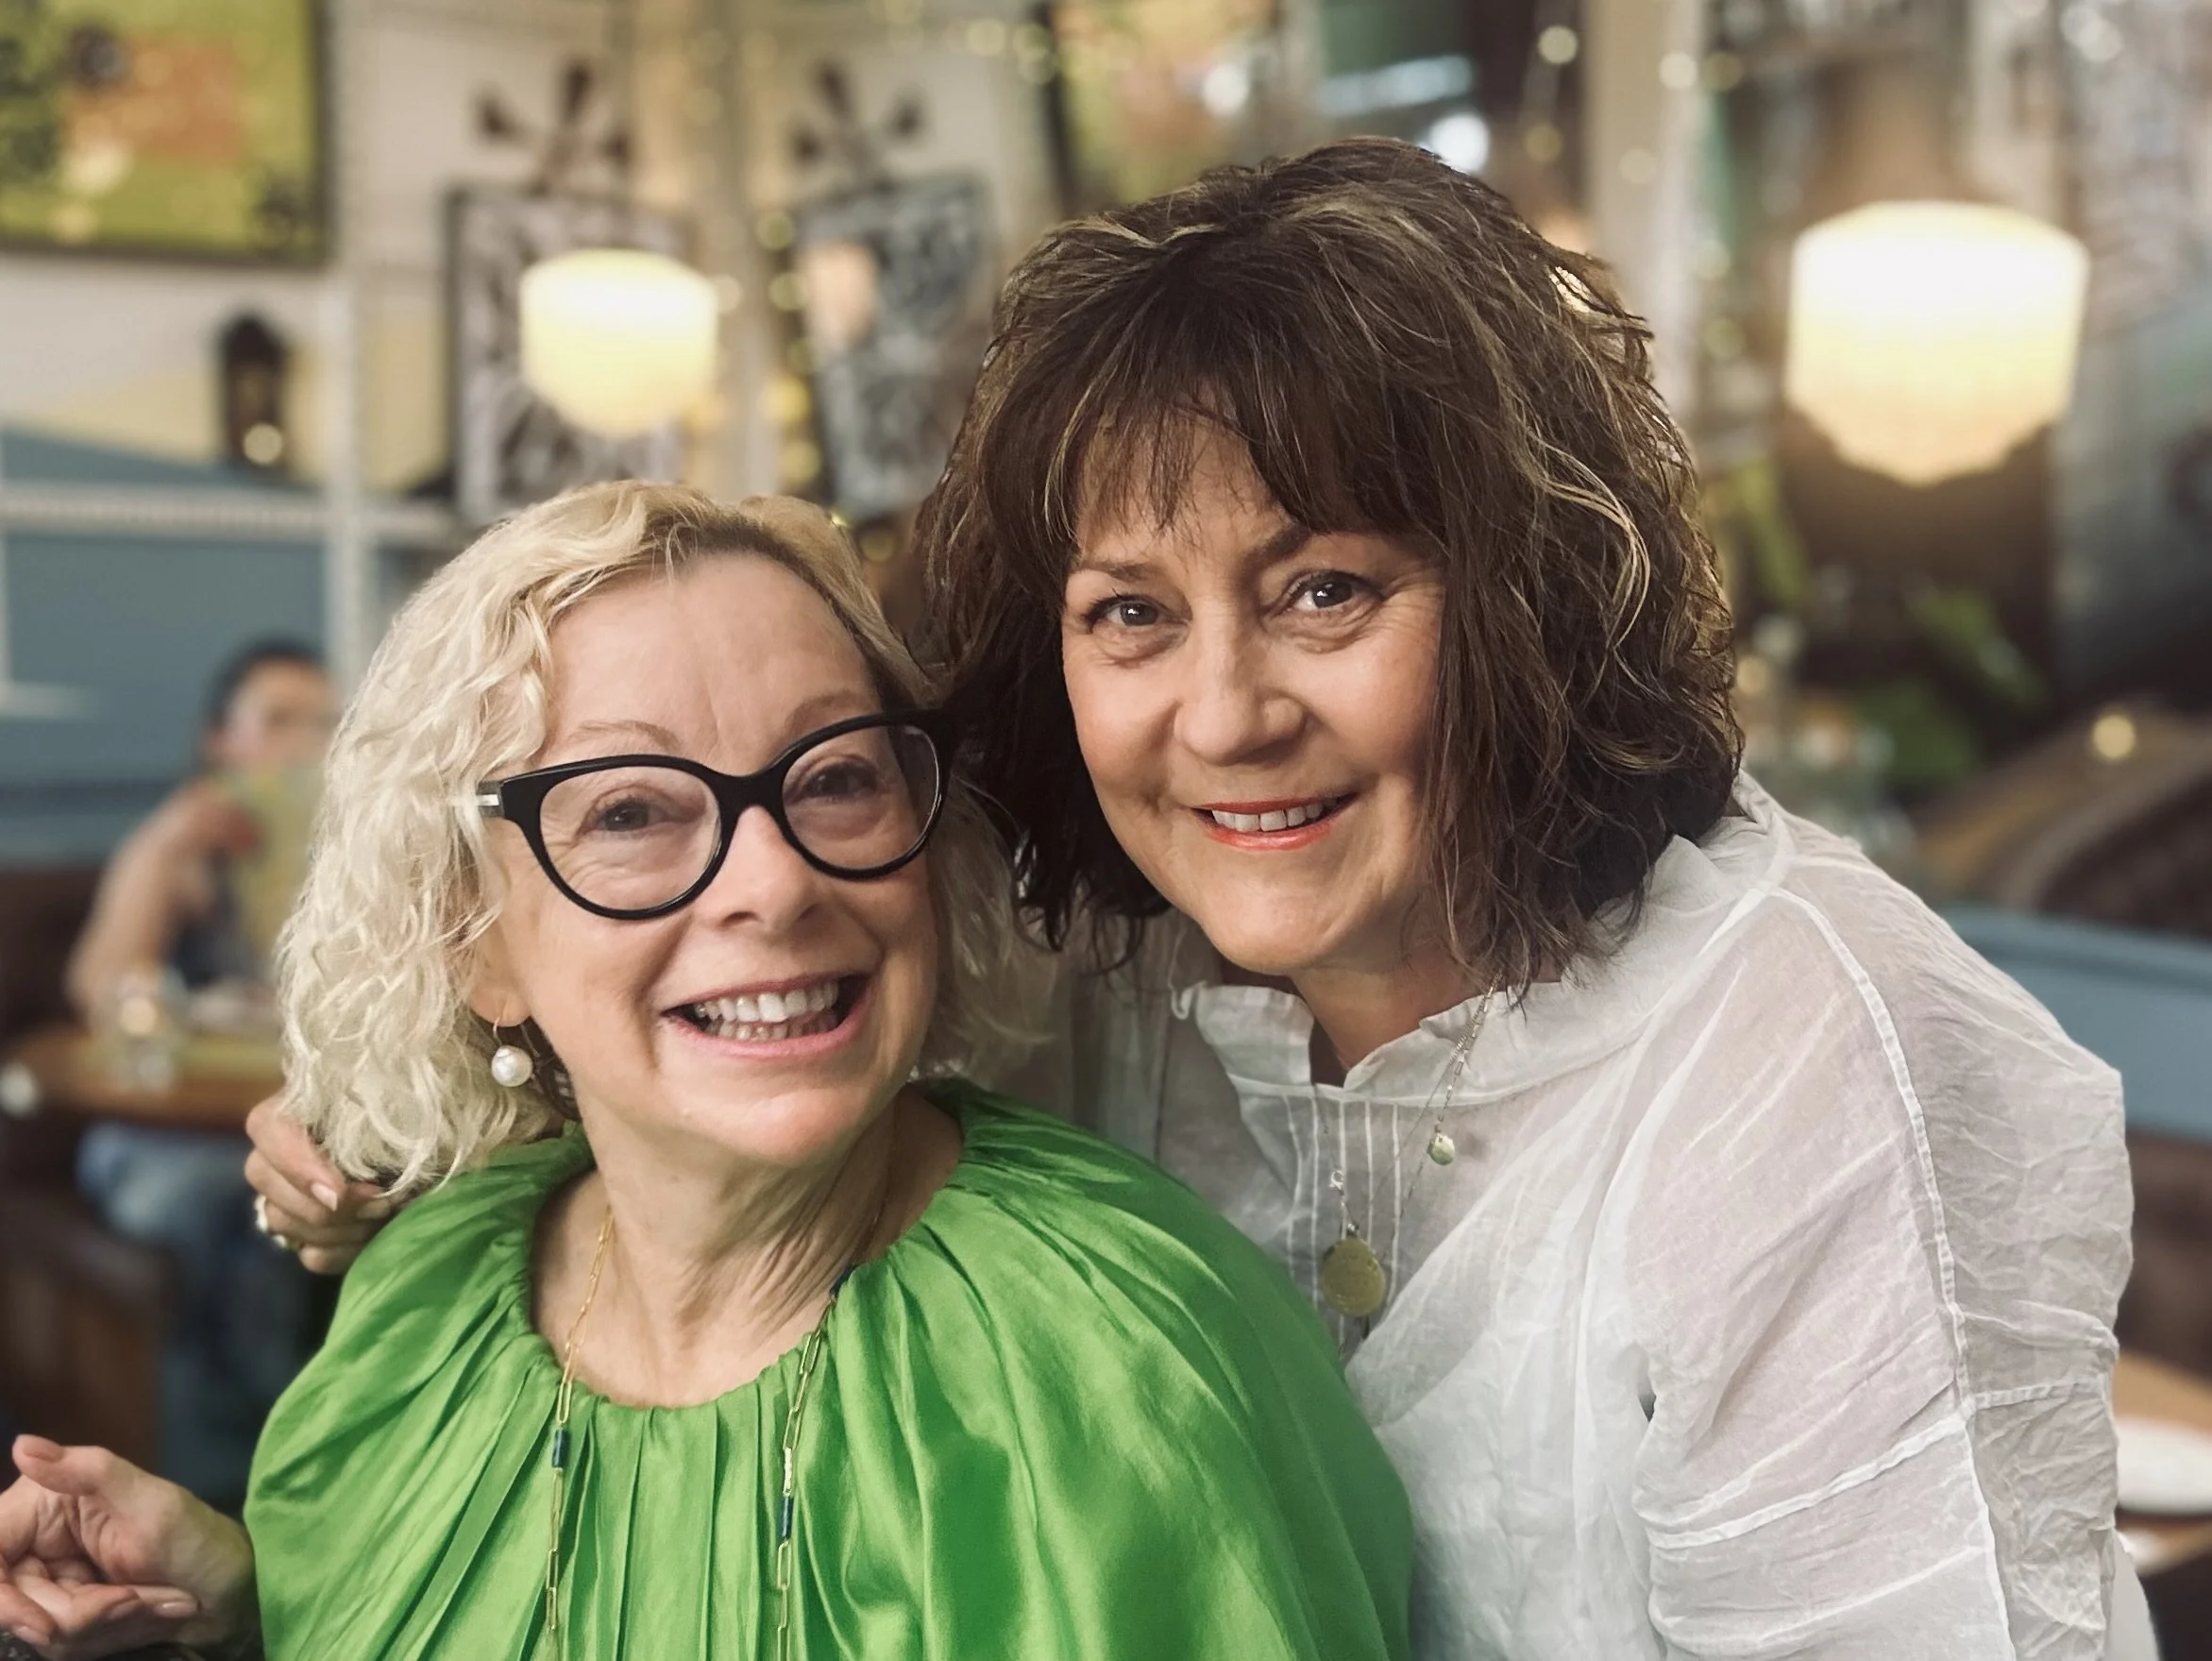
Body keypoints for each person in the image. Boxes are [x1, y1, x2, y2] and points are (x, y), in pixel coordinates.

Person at [245, 140, 2142, 1656]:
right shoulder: (1108, 954)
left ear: (1523, 596)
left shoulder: (1815, 1059)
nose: (1223, 716)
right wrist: (401, 1163)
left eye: (1325, 588)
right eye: (1126, 615)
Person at [0, 484, 1411, 1660]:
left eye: (836, 777)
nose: (774, 879)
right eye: (627, 808)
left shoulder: (1118, 1363)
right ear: (472, 937)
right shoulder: (424, 1305)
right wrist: (231, 1604)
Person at [67, 641, 334, 1509]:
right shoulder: (185, 856)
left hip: (288, 1116)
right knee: (235, 1210)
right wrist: (169, 837)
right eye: (278, 720)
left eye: (324, 723)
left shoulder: (335, 864)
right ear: (222, 740)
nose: (304, 744)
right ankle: (229, 1494)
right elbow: (100, 991)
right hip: (162, 1134)